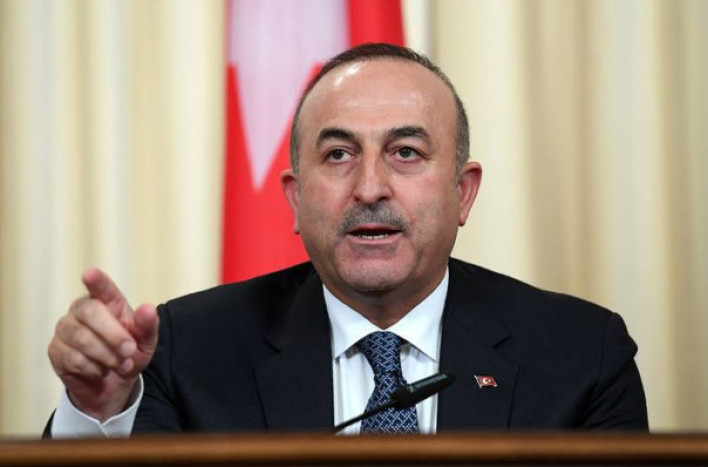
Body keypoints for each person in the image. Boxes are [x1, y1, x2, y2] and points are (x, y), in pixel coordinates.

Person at [47, 43, 648, 437]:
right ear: (294, 198)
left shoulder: (582, 355)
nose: (369, 187)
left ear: (463, 193)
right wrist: (98, 410)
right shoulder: (189, 350)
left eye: (405, 152)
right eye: (338, 154)